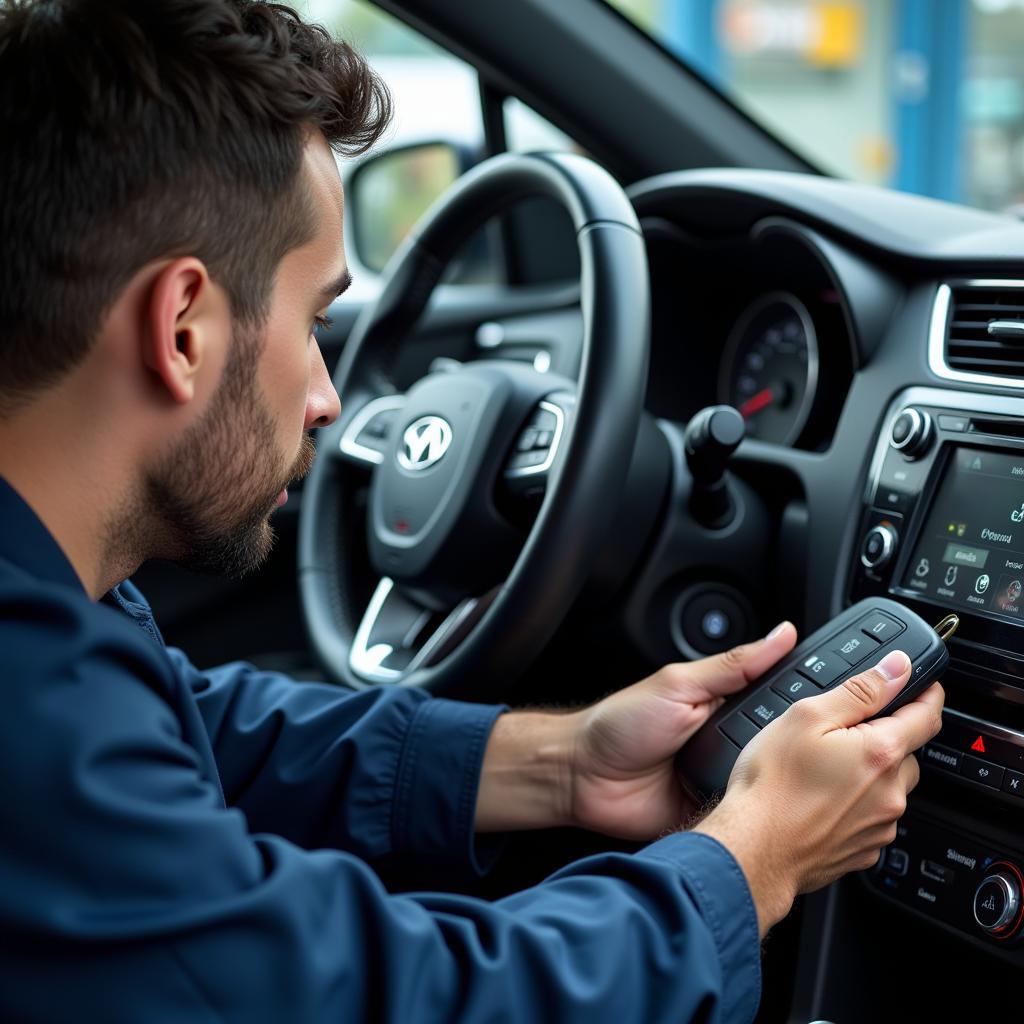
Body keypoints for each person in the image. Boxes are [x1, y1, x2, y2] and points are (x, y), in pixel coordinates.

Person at [0, 1, 943, 1021]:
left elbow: (207, 734)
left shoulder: (58, 631)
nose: (330, 397)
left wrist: (566, 761)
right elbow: (398, 1000)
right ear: (181, 327)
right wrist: (754, 855)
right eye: (317, 319)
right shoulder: (31, 710)